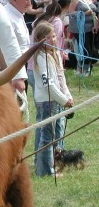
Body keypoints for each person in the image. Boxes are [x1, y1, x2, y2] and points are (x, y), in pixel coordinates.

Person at [29, 0, 73, 155]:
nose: (53, 38)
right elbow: (55, 49)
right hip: (46, 71)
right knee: (53, 120)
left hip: (33, 70)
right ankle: (55, 154)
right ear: (67, 6)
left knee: (42, 121)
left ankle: (40, 156)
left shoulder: (40, 19)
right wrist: (64, 96)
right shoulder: (56, 23)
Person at [32, 21, 73, 177]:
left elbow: (61, 77)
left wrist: (67, 95)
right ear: (40, 39)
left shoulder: (54, 53)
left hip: (57, 100)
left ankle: (51, 165)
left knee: (56, 135)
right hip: (47, 101)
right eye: (49, 38)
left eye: (54, 36)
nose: (53, 40)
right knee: (47, 137)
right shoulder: (41, 57)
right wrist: (63, 100)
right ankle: (45, 171)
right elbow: (48, 84)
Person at [68, 0, 99, 76]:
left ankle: (86, 69)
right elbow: (71, 12)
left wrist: (95, 24)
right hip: (80, 28)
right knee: (85, 49)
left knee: (90, 48)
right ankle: (83, 70)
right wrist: (85, 14)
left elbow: (94, 12)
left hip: (91, 26)